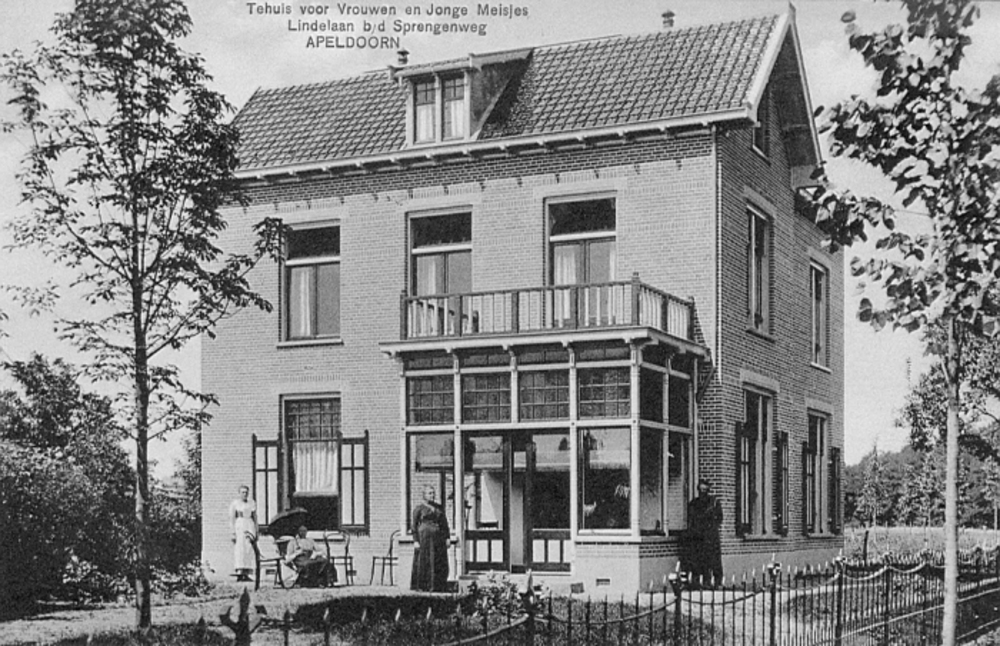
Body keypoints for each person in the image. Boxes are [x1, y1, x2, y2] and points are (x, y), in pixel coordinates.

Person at [411, 484, 450, 592]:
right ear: (424, 495)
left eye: (433, 493)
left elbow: (444, 524)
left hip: (438, 539)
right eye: (429, 493)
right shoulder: (419, 509)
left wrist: (447, 538)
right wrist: (415, 540)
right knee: (425, 561)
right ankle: (423, 586)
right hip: (424, 539)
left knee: (438, 561)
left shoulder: (439, 508)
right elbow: (414, 526)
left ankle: (437, 585)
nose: (432, 495)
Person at [686, 478, 724, 587]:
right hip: (698, 536)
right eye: (701, 490)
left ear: (708, 490)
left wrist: (711, 526)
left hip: (711, 536)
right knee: (698, 559)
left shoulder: (714, 503)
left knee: (714, 559)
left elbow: (719, 518)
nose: (703, 492)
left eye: (705, 490)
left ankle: (717, 582)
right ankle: (699, 581)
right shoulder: (693, 504)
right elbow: (691, 519)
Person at [229, 484, 257, 582]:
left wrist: (256, 530)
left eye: (246, 492)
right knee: (240, 549)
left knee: (248, 549)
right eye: (243, 492)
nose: (245, 494)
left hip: (249, 525)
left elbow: (255, 517)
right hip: (240, 526)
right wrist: (233, 532)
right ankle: (240, 572)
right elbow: (232, 518)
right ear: (239, 493)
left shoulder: (251, 503)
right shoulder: (235, 504)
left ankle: (247, 572)